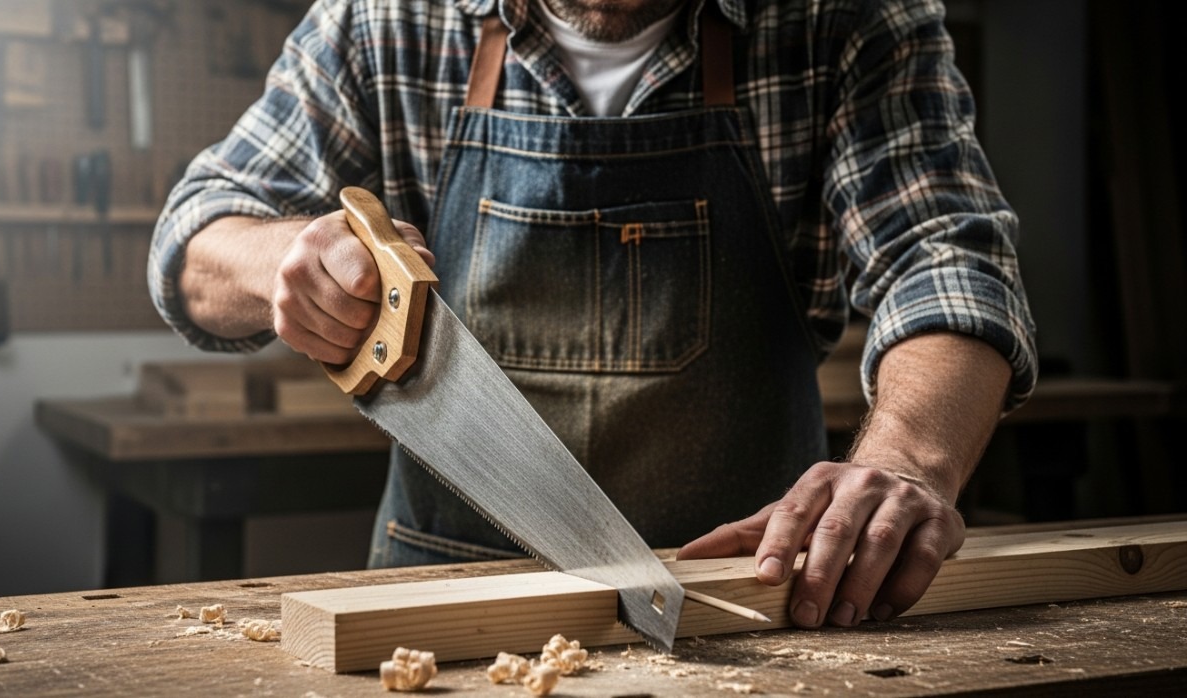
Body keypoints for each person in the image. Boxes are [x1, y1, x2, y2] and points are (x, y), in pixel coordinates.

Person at [150, 0, 1037, 630]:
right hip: (438, 613)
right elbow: (192, 241)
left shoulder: (844, 18)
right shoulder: (386, 20)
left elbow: (946, 259)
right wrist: (284, 262)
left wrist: (907, 462)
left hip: (750, 603)